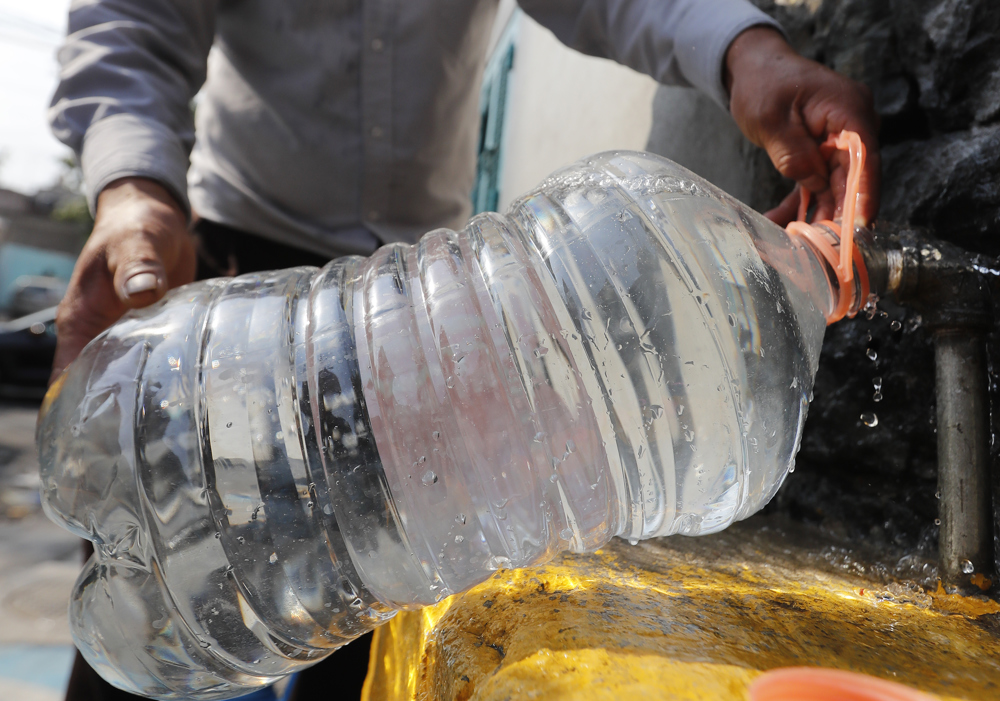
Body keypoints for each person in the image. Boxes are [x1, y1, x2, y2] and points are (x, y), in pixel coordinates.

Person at [47, 1, 880, 699]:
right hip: (240, 312)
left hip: (429, 315)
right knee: (178, 570)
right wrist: (132, 193)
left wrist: (746, 51)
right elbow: (133, 20)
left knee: (356, 603)